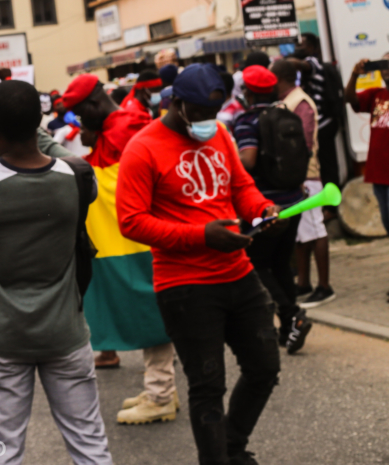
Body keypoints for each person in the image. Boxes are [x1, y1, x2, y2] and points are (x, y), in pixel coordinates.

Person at [116, 64, 280, 465]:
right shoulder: (143, 147)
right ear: (177, 104)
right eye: (201, 115)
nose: (209, 123)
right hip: (184, 286)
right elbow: (131, 221)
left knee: (264, 368)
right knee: (208, 387)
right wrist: (202, 235)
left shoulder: (220, 134)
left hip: (237, 273)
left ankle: (231, 447)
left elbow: (239, 185)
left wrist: (261, 210)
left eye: (215, 113)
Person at [0, 81, 112, 465]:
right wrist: (34, 132)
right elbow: (68, 162)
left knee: (3, 451)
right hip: (66, 334)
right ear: (40, 124)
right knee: (90, 444)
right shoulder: (77, 180)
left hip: (3, 338)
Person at [60, 75, 178, 425]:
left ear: (95, 104)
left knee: (149, 307)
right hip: (135, 240)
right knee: (147, 308)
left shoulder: (122, 130)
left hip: (137, 241)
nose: (79, 123)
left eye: (80, 114)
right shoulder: (120, 125)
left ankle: (161, 394)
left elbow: (113, 187)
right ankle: (160, 388)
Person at [232, 66, 312, 353]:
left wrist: (231, 166)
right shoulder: (287, 116)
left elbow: (249, 160)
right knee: (280, 263)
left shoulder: (247, 121)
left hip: (263, 206)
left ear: (248, 92)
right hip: (294, 200)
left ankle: (292, 317)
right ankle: (287, 326)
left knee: (255, 263)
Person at [271, 59, 333, 308]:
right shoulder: (288, 100)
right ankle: (304, 283)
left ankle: (325, 287)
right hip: (293, 177)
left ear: (280, 78)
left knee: (316, 230)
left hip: (306, 176)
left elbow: (304, 144)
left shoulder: (301, 102)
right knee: (300, 234)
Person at [346, 56, 389, 304]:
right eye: (382, 66)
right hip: (378, 174)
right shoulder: (376, 95)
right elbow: (349, 100)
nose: (386, 70)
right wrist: (354, 75)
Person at [296, 33, 343, 190]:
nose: (298, 48)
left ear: (311, 47)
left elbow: (301, 65)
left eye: (301, 44)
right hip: (321, 123)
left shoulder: (312, 62)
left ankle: (331, 206)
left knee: (327, 164)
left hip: (322, 123)